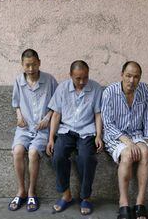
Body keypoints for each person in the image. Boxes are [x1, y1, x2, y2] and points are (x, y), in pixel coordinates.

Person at [46, 60, 103, 216]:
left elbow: (98, 114)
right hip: (66, 130)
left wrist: (99, 135)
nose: (82, 82)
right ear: (70, 75)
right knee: (57, 156)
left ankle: (86, 197)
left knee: (86, 158)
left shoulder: (96, 88)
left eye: (85, 77)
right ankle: (66, 194)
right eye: (78, 78)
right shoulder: (62, 88)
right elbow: (56, 114)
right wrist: (51, 138)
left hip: (87, 131)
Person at [102, 61, 148, 219]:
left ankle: (140, 203)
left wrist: (147, 142)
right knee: (127, 155)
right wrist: (129, 143)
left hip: (137, 133)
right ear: (122, 75)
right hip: (116, 135)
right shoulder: (110, 92)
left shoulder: (144, 90)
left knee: (145, 153)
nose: (132, 80)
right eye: (128, 76)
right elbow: (107, 123)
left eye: (136, 77)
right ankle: (123, 202)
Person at [8, 49, 58, 212]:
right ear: (22, 65)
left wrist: (48, 117)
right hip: (24, 127)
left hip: (42, 129)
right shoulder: (18, 81)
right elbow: (16, 103)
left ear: (39, 63)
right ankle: (21, 190)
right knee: (17, 151)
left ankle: (31, 191)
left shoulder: (49, 80)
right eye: (27, 65)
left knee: (33, 152)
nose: (31, 69)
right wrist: (19, 117)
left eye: (34, 64)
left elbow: (57, 104)